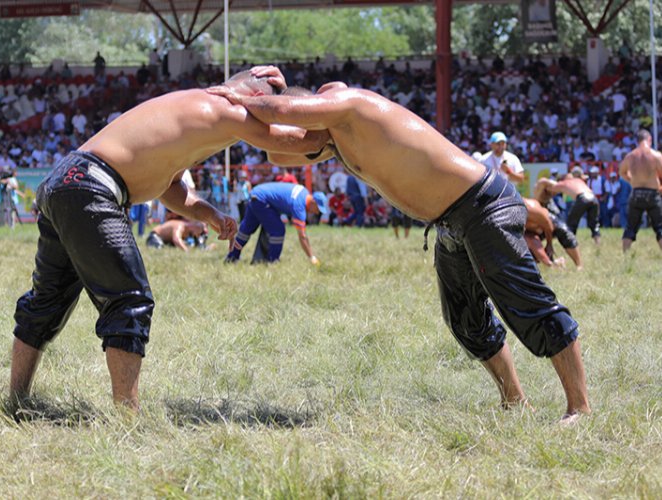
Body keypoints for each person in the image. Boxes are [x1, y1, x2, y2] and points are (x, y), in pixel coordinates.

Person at [209, 78, 590, 422]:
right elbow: (278, 152)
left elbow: (282, 111)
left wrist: (240, 93)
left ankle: (580, 408)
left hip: (483, 205)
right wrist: (248, 118)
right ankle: (514, 401)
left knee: (528, 305)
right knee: (466, 320)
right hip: (451, 221)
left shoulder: (352, 104)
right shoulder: (335, 141)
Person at [9, 67, 330, 412]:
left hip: (65, 180)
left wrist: (210, 215)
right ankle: (126, 419)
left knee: (47, 302)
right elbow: (291, 141)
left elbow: (169, 186)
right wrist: (339, 126)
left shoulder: (194, 111)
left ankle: (15, 401)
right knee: (129, 300)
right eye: (267, 105)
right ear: (255, 97)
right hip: (92, 187)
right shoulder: (227, 108)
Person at [224, 181, 329, 265]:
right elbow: (302, 236)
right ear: (313, 202)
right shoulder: (299, 206)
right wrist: (312, 257)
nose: (316, 212)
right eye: (317, 209)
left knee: (245, 230)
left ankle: (231, 258)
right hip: (261, 199)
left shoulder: (304, 192)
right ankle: (272, 261)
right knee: (278, 230)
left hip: (256, 194)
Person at [619, 129, 662, 252]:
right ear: (650, 140)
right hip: (652, 193)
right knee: (659, 227)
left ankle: (625, 256)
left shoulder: (630, 156)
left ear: (637, 141)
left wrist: (631, 180)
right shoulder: (656, 155)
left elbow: (621, 172)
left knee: (630, 227)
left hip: (636, 193)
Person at [541, 169, 601, 245]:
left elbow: (550, 189)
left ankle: (571, 244)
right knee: (594, 223)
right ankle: (597, 243)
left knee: (571, 223)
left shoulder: (563, 183)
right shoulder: (579, 181)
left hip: (582, 198)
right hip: (593, 197)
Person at [534, 178, 583, 269]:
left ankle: (579, 265)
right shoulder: (542, 184)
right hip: (539, 217)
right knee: (531, 244)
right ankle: (554, 262)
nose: (555, 194)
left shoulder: (549, 200)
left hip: (549, 215)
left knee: (565, 233)